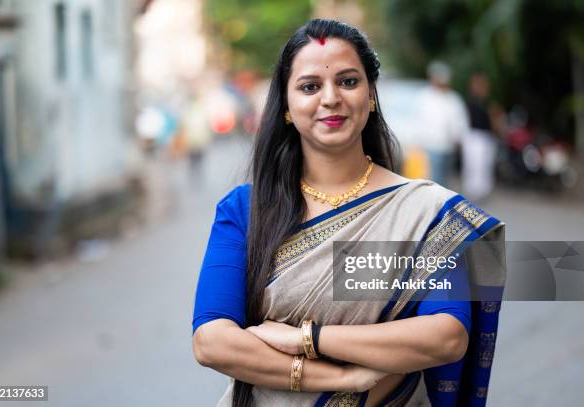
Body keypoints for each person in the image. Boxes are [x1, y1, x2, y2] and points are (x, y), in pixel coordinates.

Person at [192, 19, 505, 407]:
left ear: (370, 95)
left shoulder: (430, 215)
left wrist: (308, 337)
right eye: (309, 86)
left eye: (348, 81)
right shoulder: (245, 210)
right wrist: (344, 377)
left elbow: (445, 336)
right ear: (287, 107)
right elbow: (211, 341)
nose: (330, 98)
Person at [417, 61, 469, 186]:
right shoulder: (425, 96)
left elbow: (460, 120)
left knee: (446, 179)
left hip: (449, 146)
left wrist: (460, 138)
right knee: (435, 178)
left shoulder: (453, 98)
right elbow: (419, 120)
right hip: (432, 145)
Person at [461, 74, 498, 201]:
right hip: (474, 136)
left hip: (487, 136)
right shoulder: (470, 102)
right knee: (474, 164)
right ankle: (473, 191)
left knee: (485, 165)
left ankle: (482, 191)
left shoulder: (488, 102)